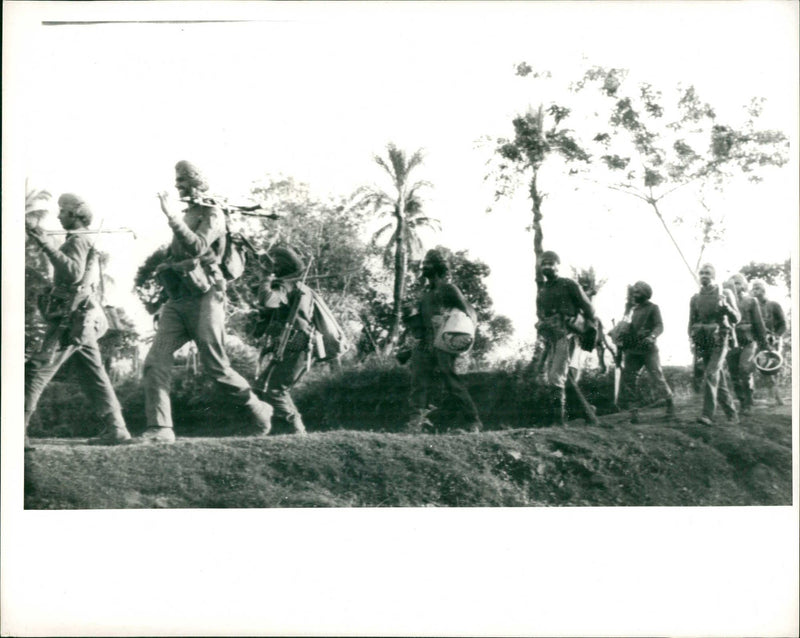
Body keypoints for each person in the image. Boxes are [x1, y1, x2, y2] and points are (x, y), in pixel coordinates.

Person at [135, 161, 273, 444]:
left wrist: (170, 217)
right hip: (178, 300)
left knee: (216, 368)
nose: (177, 185)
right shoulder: (190, 213)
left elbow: (198, 246)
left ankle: (258, 409)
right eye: (177, 179)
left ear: (197, 182)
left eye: (183, 180)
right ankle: (160, 429)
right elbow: (180, 255)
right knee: (155, 362)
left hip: (206, 298)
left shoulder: (213, 214)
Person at [25, 193, 132, 448]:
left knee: (37, 370)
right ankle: (117, 429)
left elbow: (72, 274)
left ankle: (14, 431)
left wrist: (46, 245)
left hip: (71, 321)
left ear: (75, 214)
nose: (59, 215)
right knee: (94, 376)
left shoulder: (77, 241)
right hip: (83, 321)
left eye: (62, 211)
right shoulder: (82, 240)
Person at [404, 249, 483, 433]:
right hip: (425, 344)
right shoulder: (425, 293)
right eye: (424, 264)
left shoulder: (449, 289)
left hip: (443, 343)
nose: (424, 267)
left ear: (439, 267)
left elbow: (469, 314)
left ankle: (473, 422)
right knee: (418, 384)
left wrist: (459, 339)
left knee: (451, 382)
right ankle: (415, 425)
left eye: (428, 264)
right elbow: (421, 321)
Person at [252, 246, 314, 435]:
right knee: (261, 386)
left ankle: (296, 429)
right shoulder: (299, 286)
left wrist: (265, 278)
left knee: (276, 390)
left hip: (296, 344)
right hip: (291, 343)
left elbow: (268, 301)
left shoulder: (286, 286)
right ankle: (273, 428)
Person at [535, 251, 596, 426]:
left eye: (551, 263)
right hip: (552, 336)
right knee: (560, 377)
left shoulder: (569, 284)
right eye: (544, 263)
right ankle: (588, 413)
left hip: (569, 334)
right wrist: (543, 323)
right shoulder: (542, 291)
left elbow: (589, 309)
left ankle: (559, 422)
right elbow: (539, 314)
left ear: (558, 265)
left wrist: (581, 326)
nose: (547, 266)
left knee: (556, 377)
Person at [688, 264, 741, 425]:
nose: (704, 275)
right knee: (718, 377)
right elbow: (691, 322)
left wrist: (726, 307)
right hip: (703, 340)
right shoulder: (695, 298)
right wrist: (691, 341)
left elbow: (737, 318)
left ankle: (707, 415)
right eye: (702, 273)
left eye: (708, 273)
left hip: (720, 337)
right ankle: (732, 414)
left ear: (714, 276)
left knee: (711, 374)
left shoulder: (724, 294)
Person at [616, 281, 675, 423]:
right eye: (634, 291)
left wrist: (652, 336)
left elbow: (660, 326)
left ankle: (670, 403)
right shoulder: (630, 310)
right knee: (629, 379)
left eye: (638, 292)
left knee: (657, 376)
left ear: (646, 293)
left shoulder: (653, 308)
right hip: (632, 350)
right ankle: (633, 413)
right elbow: (623, 328)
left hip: (648, 350)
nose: (635, 294)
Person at [725, 274, 769, 415]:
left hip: (749, 340)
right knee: (733, 373)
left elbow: (759, 323)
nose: (735, 286)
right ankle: (742, 400)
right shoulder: (724, 301)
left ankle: (748, 401)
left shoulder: (751, 301)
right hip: (731, 341)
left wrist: (764, 344)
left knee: (744, 369)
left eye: (738, 283)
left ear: (744, 286)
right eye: (732, 283)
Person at [751, 278, 787, 406]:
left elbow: (783, 324)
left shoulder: (774, 305)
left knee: (770, 367)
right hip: (757, 341)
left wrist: (776, 336)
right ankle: (752, 396)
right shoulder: (751, 306)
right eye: (753, 288)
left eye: (758, 287)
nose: (755, 290)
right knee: (756, 366)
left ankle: (776, 398)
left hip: (773, 341)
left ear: (764, 289)